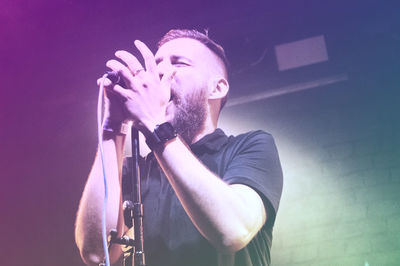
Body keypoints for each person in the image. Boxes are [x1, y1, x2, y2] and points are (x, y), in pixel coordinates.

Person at [75, 29, 283, 266]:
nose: (160, 72)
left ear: (217, 88)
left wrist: (156, 126)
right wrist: (112, 127)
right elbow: (96, 253)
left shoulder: (250, 147)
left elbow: (231, 231)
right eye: (157, 64)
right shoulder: (138, 171)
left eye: (179, 63)